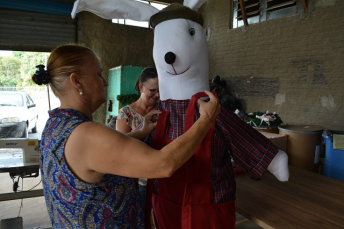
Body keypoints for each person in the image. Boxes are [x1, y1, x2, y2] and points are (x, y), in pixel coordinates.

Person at [32, 44, 221, 229]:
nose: (105, 82)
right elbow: (164, 164)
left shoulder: (56, 124)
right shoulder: (86, 133)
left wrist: (141, 131)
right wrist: (205, 120)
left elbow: (108, 154)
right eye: (98, 74)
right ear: (76, 81)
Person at [109, 67, 159, 211]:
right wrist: (142, 129)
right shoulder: (126, 113)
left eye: (160, 90)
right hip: (139, 180)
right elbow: (122, 145)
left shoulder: (163, 109)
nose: (158, 95)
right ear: (141, 87)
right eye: (153, 90)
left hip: (161, 175)